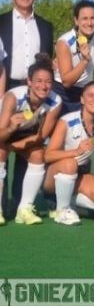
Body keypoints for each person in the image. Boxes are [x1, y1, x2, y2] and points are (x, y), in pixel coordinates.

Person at [0, 54, 61, 226]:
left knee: (38, 154)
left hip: (28, 136)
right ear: (29, 81)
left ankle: (24, 210)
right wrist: (11, 128)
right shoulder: (13, 97)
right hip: (4, 132)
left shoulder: (55, 101)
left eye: (48, 82)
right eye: (38, 81)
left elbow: (41, 136)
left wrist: (13, 146)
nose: (43, 86)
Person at [43, 82, 94, 226]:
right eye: (90, 95)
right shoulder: (66, 121)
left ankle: (69, 201)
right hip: (54, 174)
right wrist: (76, 151)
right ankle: (62, 211)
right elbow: (48, 155)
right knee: (70, 163)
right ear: (82, 99)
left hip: (80, 172)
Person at [0, 0, 53, 91]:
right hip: (5, 88)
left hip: (36, 90)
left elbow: (47, 60)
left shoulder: (46, 27)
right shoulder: (1, 23)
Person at [53, 0, 94, 114]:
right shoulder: (65, 42)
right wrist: (84, 61)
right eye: (84, 18)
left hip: (85, 92)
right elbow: (66, 82)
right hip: (63, 94)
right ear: (76, 20)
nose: (89, 23)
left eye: (92, 18)